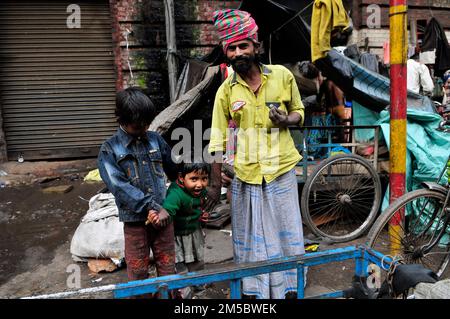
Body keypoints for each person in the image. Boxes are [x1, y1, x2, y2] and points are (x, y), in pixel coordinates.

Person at [206, 9, 306, 299]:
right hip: (245, 176)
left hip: (281, 170)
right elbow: (217, 138)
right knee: (251, 238)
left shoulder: (283, 76)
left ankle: (289, 288)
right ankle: (255, 291)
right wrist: (214, 184)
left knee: (286, 233)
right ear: (227, 52)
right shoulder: (226, 91)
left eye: (243, 46)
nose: (238, 53)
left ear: (256, 46)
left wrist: (286, 120)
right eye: (232, 48)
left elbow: (299, 111)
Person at [97, 87, 178, 296]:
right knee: (138, 274)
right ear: (121, 119)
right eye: (137, 124)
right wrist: (151, 207)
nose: (143, 128)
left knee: (169, 271)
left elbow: (175, 172)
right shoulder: (109, 149)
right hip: (135, 224)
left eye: (146, 123)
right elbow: (119, 187)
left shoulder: (155, 139)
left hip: (164, 220)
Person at [160, 162, 210, 295]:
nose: (199, 184)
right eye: (194, 179)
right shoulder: (176, 193)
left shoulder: (199, 190)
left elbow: (199, 205)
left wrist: (202, 215)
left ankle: (200, 292)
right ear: (182, 178)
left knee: (198, 265)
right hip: (177, 237)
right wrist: (162, 215)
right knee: (180, 269)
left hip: (194, 233)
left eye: (204, 179)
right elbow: (168, 209)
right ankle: (185, 297)